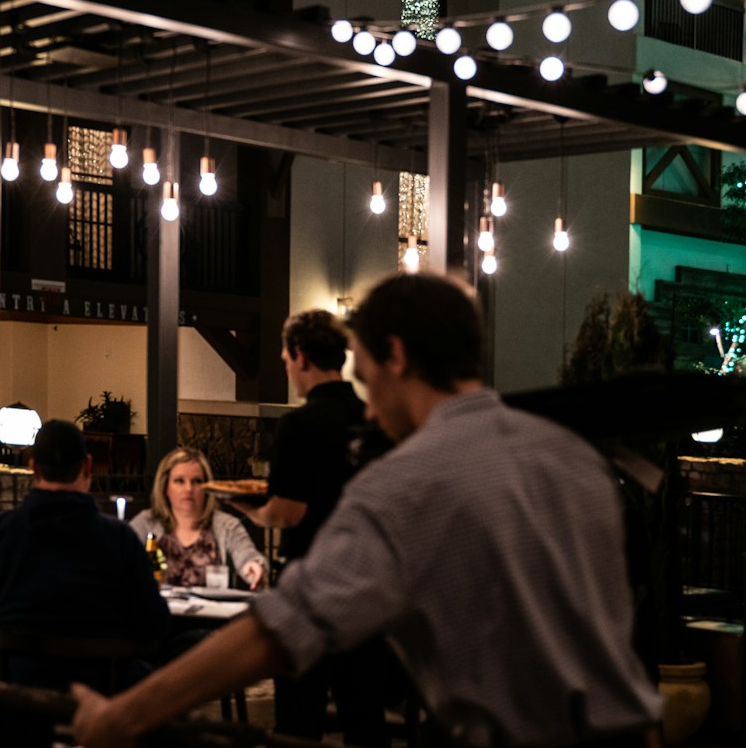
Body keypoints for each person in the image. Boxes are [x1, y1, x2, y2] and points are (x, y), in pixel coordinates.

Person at [73, 272, 663, 748]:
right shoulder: (570, 456)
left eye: (365, 368)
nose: (370, 408)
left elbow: (282, 630)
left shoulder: (406, 483)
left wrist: (124, 716)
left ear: (398, 355)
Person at [229, 309, 388, 745]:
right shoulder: (372, 419)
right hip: (367, 584)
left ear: (300, 357)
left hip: (311, 586)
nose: (287, 367)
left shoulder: (299, 424)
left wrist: (244, 505)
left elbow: (288, 512)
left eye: (285, 358)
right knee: (365, 718)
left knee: (299, 720)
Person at [0, 419, 169, 746]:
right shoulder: (118, 538)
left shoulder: (3, 532)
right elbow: (155, 624)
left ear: (33, 468)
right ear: (88, 465)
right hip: (106, 687)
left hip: (19, 688)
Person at [128, 447, 266, 591]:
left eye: (196, 481)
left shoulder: (226, 525)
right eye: (180, 481)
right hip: (158, 612)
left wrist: (254, 566)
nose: (189, 489)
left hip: (212, 612)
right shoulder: (147, 522)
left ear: (207, 487)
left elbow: (248, 556)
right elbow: (118, 554)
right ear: (165, 487)